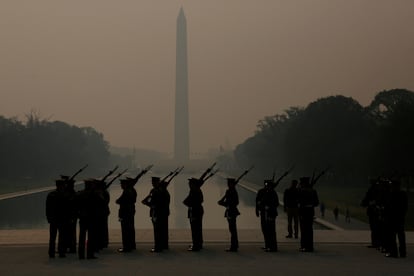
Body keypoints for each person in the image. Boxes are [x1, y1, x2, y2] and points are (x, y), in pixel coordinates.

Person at [46, 178, 70, 258]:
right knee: (61, 236)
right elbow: (67, 208)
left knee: (52, 237)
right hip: (62, 219)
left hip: (53, 219)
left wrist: (48, 217)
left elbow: (47, 208)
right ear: (62, 186)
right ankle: (61, 252)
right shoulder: (64, 195)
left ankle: (51, 252)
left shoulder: (51, 195)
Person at [384, 179, 407, 258]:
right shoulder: (403, 194)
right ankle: (403, 252)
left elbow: (388, 206)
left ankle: (394, 252)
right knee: (401, 236)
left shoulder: (391, 194)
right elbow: (405, 206)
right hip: (400, 218)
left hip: (392, 218)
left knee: (392, 236)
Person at [77, 179, 99, 259]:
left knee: (82, 236)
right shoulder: (95, 194)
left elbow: (76, 205)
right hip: (91, 218)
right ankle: (90, 254)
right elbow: (100, 203)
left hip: (83, 217)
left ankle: (81, 254)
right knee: (91, 237)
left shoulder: (80, 194)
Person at [256, 179, 279, 252]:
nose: (267, 186)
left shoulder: (273, 193)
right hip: (263, 213)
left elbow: (276, 203)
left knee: (271, 230)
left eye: (268, 185)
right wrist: (257, 209)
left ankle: (273, 247)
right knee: (264, 229)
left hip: (270, 213)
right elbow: (258, 201)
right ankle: (267, 245)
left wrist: (269, 207)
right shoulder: (262, 191)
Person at [218, 178, 240, 252]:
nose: (228, 184)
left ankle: (234, 246)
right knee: (232, 230)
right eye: (228, 183)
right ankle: (234, 245)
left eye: (229, 183)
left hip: (232, 211)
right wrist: (223, 203)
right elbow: (227, 202)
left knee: (233, 230)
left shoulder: (233, 192)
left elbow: (235, 202)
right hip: (229, 211)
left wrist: (224, 203)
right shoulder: (229, 191)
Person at [116, 178, 137, 253]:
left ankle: (126, 247)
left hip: (125, 213)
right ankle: (131, 245)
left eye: (122, 184)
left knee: (125, 230)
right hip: (130, 212)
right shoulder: (132, 190)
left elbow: (120, 200)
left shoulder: (126, 192)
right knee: (130, 229)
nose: (121, 186)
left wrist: (117, 201)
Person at [142, 176, 163, 252]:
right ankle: (158, 246)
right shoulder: (155, 191)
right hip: (156, 212)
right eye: (152, 182)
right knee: (157, 230)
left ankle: (158, 247)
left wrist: (147, 203)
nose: (153, 183)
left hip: (156, 212)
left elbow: (154, 203)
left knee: (157, 231)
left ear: (157, 182)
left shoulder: (157, 191)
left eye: (154, 182)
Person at [298, 177, 319, 252]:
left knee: (304, 230)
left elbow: (298, 200)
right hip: (310, 212)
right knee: (309, 230)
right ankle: (310, 246)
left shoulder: (301, 191)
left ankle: (304, 246)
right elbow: (316, 203)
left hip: (303, 212)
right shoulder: (313, 191)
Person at [183, 178, 204, 251]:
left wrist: (190, 204)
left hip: (195, 211)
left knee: (195, 229)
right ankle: (198, 243)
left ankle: (196, 245)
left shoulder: (195, 191)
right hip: (196, 210)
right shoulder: (195, 191)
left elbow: (199, 201)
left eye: (190, 184)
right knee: (197, 228)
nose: (189, 185)